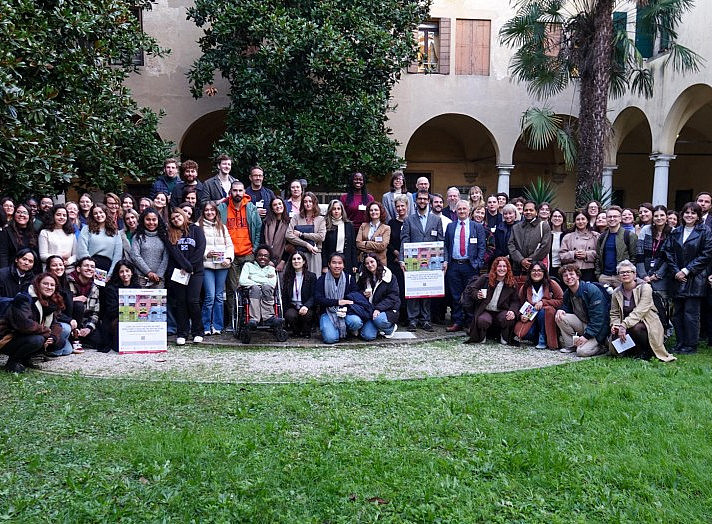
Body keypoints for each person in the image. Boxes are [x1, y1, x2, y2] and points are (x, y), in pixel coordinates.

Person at [662, 202, 712, 354]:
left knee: (691, 314)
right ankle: (680, 342)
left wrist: (686, 270)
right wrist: (676, 271)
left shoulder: (705, 231)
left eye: (693, 213)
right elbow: (668, 251)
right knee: (677, 314)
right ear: (682, 214)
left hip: (694, 279)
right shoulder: (676, 231)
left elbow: (706, 254)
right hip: (677, 278)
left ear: (698, 216)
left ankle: (690, 345)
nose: (689, 215)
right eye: (686, 212)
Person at [609, 260, 675, 362]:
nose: (625, 274)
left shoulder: (645, 288)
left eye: (628, 272)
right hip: (625, 324)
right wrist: (615, 324)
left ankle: (647, 351)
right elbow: (614, 313)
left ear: (634, 274)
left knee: (637, 327)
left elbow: (640, 311)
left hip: (647, 322)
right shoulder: (616, 292)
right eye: (622, 272)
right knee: (615, 350)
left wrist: (624, 325)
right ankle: (635, 350)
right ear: (618, 276)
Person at [218, 180, 261, 327]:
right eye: (234, 190)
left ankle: (249, 318)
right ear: (230, 192)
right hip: (231, 255)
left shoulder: (251, 208)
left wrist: (254, 248)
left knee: (250, 287)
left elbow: (258, 230)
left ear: (244, 192)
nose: (237, 193)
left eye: (240, 190)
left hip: (248, 253)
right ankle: (234, 320)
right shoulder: (222, 208)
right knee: (232, 289)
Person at [399, 190, 444, 332]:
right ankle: (412, 320)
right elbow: (404, 240)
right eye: (420, 199)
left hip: (432, 260)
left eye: (425, 199)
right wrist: (402, 260)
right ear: (416, 201)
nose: (422, 201)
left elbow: (441, 241)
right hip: (413, 260)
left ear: (429, 202)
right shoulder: (409, 220)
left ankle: (425, 320)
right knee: (413, 290)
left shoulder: (436, 220)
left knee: (427, 291)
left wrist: (444, 260)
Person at [442, 200, 486, 332]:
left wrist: (478, 263)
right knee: (455, 296)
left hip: (470, 265)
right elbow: (446, 246)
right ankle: (457, 321)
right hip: (454, 265)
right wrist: (446, 262)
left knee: (470, 294)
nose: (461, 211)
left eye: (464, 209)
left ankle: (470, 322)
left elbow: (482, 246)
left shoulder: (476, 227)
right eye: (459, 209)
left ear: (469, 211)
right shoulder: (450, 226)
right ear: (455, 211)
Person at [166, 207, 206, 345]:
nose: (176, 220)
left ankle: (198, 331)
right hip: (179, 272)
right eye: (173, 219)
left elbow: (200, 250)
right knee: (181, 302)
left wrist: (190, 267)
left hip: (196, 271)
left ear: (183, 216)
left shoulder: (196, 230)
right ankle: (182, 332)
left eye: (178, 216)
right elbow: (174, 253)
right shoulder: (171, 233)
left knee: (193, 301)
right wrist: (185, 267)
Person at [462, 257, 520, 345]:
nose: (502, 269)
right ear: (495, 268)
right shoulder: (485, 278)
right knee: (482, 320)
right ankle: (481, 336)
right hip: (486, 310)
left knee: (507, 318)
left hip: (502, 310)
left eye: (504, 266)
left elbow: (515, 301)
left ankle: (504, 336)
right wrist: (477, 294)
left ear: (508, 269)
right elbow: (472, 289)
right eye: (499, 266)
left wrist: (512, 311)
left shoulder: (512, 283)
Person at [555, 264, 609, 357]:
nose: (568, 277)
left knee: (582, 352)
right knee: (560, 317)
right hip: (584, 324)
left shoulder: (591, 290)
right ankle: (571, 345)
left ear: (578, 276)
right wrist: (561, 310)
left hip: (599, 329)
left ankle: (602, 346)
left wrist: (586, 336)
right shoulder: (568, 293)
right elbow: (566, 307)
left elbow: (598, 318)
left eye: (571, 274)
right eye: (565, 275)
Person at [314, 252, 364, 344]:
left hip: (347, 312)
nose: (337, 266)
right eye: (334, 263)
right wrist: (337, 302)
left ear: (344, 265)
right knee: (330, 339)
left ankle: (346, 329)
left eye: (340, 263)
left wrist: (345, 305)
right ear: (329, 264)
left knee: (356, 322)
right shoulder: (322, 279)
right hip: (328, 312)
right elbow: (318, 299)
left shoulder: (349, 279)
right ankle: (336, 330)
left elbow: (355, 296)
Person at [200, 202, 234, 335]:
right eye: (207, 210)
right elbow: (196, 247)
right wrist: (205, 254)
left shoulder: (223, 227)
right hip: (207, 265)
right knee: (210, 296)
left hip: (222, 266)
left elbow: (229, 246)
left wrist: (228, 259)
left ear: (216, 212)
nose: (209, 213)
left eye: (212, 210)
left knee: (219, 296)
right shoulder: (198, 227)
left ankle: (217, 326)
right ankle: (206, 325)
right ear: (203, 212)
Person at [513, 261, 563, 350]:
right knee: (527, 334)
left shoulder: (552, 284)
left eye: (539, 270)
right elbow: (520, 304)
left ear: (544, 272)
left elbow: (561, 300)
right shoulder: (525, 287)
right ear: (530, 273)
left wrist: (543, 302)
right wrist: (521, 315)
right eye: (533, 271)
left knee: (544, 310)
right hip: (531, 316)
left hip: (547, 317)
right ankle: (537, 337)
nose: (536, 273)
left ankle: (543, 338)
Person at [0, 289, 51, 373]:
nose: (49, 287)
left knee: (59, 341)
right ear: (38, 284)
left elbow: (56, 324)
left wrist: (53, 338)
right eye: (45, 284)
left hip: (22, 335)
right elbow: (25, 325)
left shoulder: (51, 303)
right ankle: (13, 362)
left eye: (52, 285)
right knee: (37, 340)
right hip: (7, 337)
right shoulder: (24, 299)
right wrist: (46, 332)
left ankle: (24, 360)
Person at [99, 259, 139, 353]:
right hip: (115, 320)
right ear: (117, 273)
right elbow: (111, 311)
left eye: (127, 271)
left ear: (132, 272)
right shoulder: (111, 289)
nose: (125, 274)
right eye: (121, 272)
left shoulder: (137, 288)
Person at [357, 254, 400, 340]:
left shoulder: (389, 276)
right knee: (367, 336)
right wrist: (363, 293)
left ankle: (389, 328)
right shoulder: (364, 276)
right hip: (371, 310)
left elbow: (393, 297)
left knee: (379, 319)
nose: (370, 265)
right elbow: (357, 291)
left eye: (372, 262)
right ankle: (378, 327)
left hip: (388, 309)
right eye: (367, 263)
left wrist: (378, 309)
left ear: (377, 262)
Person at [45, 255, 82, 354]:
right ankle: (48, 347)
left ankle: (69, 338)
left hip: (63, 320)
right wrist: (69, 320)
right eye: (54, 265)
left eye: (61, 265)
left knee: (67, 351)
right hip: (52, 322)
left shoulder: (66, 282)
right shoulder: (47, 284)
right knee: (65, 329)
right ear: (48, 268)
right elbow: (52, 309)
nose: (58, 267)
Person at [238, 245, 281, 328]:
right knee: (256, 288)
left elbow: (272, 284)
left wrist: (252, 278)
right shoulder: (248, 265)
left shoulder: (271, 269)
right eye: (260, 255)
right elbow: (242, 281)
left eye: (266, 256)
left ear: (269, 258)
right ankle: (254, 318)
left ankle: (268, 317)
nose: (262, 257)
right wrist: (264, 279)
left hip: (267, 291)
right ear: (256, 256)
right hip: (250, 292)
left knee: (267, 287)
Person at [595, 206, 637, 288]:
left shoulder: (629, 235)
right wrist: (599, 275)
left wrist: (627, 274)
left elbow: (634, 257)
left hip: (621, 278)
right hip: (604, 277)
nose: (612, 219)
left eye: (615, 216)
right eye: (609, 217)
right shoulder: (602, 237)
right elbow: (598, 257)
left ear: (620, 219)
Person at [508, 201, 551, 277]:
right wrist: (521, 260)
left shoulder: (544, 226)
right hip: (518, 268)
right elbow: (511, 245)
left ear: (536, 212)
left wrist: (529, 261)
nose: (528, 212)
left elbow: (545, 247)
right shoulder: (516, 227)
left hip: (537, 268)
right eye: (526, 210)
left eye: (531, 210)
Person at [286, 192, 326, 275]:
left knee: (314, 280)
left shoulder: (321, 219)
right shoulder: (296, 217)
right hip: (299, 254)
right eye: (305, 202)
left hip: (315, 254)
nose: (308, 204)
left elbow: (321, 237)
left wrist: (302, 234)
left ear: (314, 203)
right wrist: (306, 244)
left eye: (310, 201)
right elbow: (289, 235)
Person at [77, 203, 123, 277]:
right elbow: (82, 250)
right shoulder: (86, 229)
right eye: (95, 213)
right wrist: (90, 268)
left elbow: (117, 255)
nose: (98, 215)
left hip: (108, 268)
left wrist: (110, 274)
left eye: (101, 212)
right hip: (90, 267)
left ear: (106, 213)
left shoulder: (114, 231)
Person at [636, 205, 671, 296]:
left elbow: (670, 258)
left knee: (659, 306)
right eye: (656, 216)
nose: (659, 218)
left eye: (662, 215)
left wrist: (657, 275)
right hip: (643, 276)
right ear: (652, 217)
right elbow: (639, 253)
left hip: (662, 278)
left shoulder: (673, 232)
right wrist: (643, 275)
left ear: (667, 217)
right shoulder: (646, 230)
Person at [67, 257, 101, 350]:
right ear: (78, 269)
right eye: (86, 266)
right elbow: (61, 304)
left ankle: (81, 338)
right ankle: (74, 338)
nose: (89, 268)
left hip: (85, 322)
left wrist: (89, 328)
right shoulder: (67, 281)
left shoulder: (95, 287)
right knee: (78, 304)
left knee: (98, 342)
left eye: (92, 267)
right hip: (70, 321)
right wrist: (74, 299)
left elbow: (95, 312)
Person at [130, 208, 168, 289]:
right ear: (143, 220)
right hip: (141, 279)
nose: (151, 222)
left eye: (154, 220)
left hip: (159, 279)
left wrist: (159, 275)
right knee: (140, 302)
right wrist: (149, 272)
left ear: (158, 220)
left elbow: (166, 257)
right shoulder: (137, 236)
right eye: (148, 219)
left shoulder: (164, 236)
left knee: (158, 302)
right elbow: (135, 256)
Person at [282, 252, 317, 338]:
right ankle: (296, 331)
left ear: (304, 261)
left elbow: (314, 295)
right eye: (294, 259)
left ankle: (306, 331)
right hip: (293, 306)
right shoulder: (288, 276)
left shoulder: (311, 276)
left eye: (299, 259)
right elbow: (285, 296)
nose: (296, 261)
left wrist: (306, 306)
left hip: (306, 306)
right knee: (290, 314)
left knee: (307, 315)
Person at [387, 194, 409, 325]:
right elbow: (388, 242)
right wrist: (396, 253)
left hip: (408, 262)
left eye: (402, 206)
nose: (400, 208)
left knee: (407, 288)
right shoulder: (391, 223)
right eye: (398, 206)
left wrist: (403, 256)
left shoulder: (411, 221)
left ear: (407, 206)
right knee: (396, 288)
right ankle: (397, 314)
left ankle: (407, 315)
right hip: (394, 261)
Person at [559, 210, 599, 282]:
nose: (580, 222)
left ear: (587, 221)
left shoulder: (595, 236)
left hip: (590, 271)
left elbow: (600, 254)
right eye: (578, 219)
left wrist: (587, 254)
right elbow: (562, 256)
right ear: (575, 221)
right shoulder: (568, 237)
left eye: (583, 219)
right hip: (572, 272)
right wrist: (573, 254)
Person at [38, 204, 77, 273]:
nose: (62, 217)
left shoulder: (71, 233)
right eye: (58, 214)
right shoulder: (45, 232)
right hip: (51, 271)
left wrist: (69, 261)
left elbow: (76, 254)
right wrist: (59, 258)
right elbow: (43, 255)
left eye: (64, 215)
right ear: (53, 216)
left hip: (69, 270)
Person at [0, 203, 39, 271]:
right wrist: (4, 273)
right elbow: (3, 254)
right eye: (18, 212)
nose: (21, 215)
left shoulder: (34, 232)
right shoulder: (6, 231)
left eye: (25, 213)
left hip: (30, 272)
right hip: (11, 270)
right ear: (14, 214)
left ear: (29, 216)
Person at [322, 199, 357, 275]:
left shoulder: (349, 225)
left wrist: (354, 264)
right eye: (334, 209)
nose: (336, 211)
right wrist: (324, 265)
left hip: (346, 261)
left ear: (342, 210)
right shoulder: (325, 225)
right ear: (330, 211)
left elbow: (353, 246)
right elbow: (324, 248)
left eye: (338, 209)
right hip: (331, 261)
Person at [356, 201, 390, 267]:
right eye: (371, 210)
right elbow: (358, 243)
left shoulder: (386, 228)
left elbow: (382, 246)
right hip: (365, 262)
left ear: (381, 212)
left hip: (380, 262)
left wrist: (366, 243)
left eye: (376, 210)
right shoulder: (363, 226)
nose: (373, 212)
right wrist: (375, 247)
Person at [260, 197, 291, 271]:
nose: (278, 206)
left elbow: (290, 245)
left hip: (284, 260)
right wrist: (268, 260)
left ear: (283, 205)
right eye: (275, 205)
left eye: (280, 204)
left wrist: (283, 262)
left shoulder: (289, 223)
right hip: (266, 259)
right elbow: (262, 241)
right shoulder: (266, 222)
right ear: (272, 208)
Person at [548, 208, 567, 280]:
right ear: (551, 218)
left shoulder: (567, 235)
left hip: (563, 269)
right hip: (549, 269)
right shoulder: (546, 235)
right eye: (555, 216)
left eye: (559, 216)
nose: (557, 218)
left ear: (563, 219)